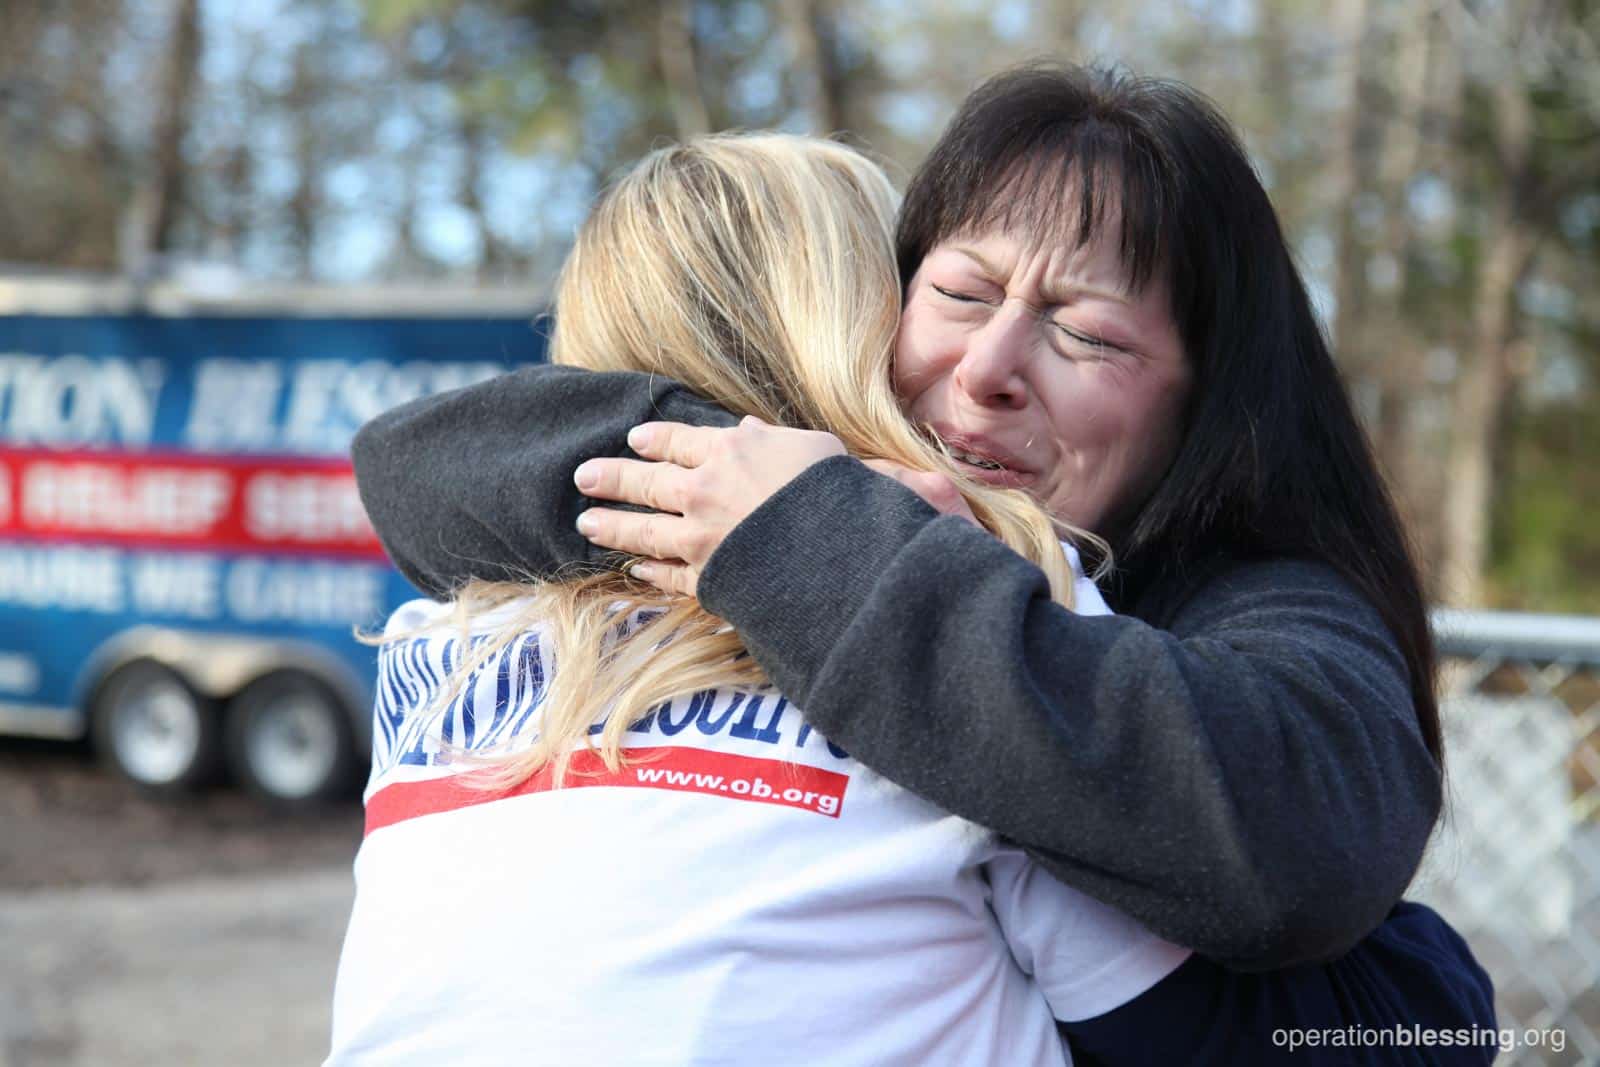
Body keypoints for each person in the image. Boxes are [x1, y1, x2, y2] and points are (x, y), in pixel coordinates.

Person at [333, 130, 1493, 1067]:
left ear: (1212, 408)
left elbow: (1288, 854)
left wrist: (815, 528)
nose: (987, 368)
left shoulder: (443, 631)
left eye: (1087, 331)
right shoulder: (959, 602)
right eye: (952, 292)